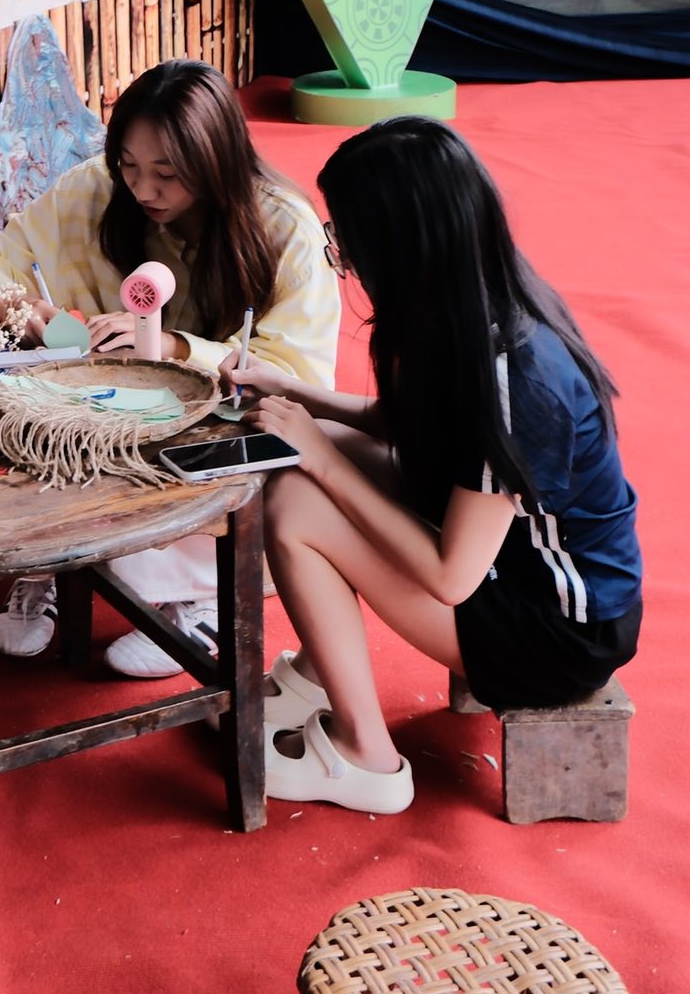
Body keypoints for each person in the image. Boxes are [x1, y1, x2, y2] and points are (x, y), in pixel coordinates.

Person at [223, 115, 643, 817]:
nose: (341, 254)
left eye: (345, 235)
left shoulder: (517, 377)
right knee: (313, 454)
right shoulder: (471, 305)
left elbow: (450, 576)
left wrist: (321, 456)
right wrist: (294, 394)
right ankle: (322, 670)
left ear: (398, 243)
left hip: (556, 631)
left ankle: (367, 758)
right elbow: (411, 428)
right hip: (511, 563)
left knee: (296, 502)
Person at [0, 61, 340, 672]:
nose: (143, 190)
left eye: (167, 174)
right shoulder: (96, 190)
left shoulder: (286, 228)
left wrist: (176, 349)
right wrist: (21, 308)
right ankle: (45, 562)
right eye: (129, 165)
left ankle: (199, 594)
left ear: (215, 159)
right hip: (101, 411)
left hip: (216, 425)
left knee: (262, 444)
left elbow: (298, 377)